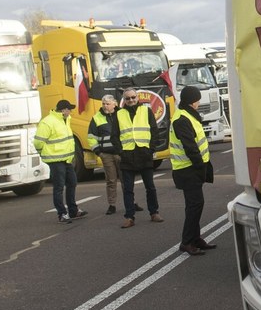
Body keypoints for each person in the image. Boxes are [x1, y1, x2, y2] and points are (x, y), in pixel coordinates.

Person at [170, 85, 215, 256]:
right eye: (197, 100)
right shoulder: (182, 119)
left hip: (192, 168)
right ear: (191, 101)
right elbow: (189, 146)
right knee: (195, 205)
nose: (198, 103)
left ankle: (195, 239)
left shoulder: (188, 115)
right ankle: (187, 242)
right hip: (187, 169)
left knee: (195, 205)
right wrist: (199, 165)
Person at [35, 99, 87, 224]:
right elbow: (38, 142)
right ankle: (62, 214)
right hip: (55, 159)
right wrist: (44, 153)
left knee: (72, 182)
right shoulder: (48, 122)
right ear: (63, 110)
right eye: (69, 109)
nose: (70, 112)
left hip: (66, 159)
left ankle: (73, 210)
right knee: (59, 187)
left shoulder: (65, 120)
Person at [117, 88, 162, 228]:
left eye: (133, 97)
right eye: (128, 98)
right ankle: (129, 217)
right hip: (127, 155)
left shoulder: (146, 111)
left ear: (137, 98)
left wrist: (150, 149)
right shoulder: (119, 114)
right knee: (128, 189)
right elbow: (114, 136)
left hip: (144, 154)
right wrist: (121, 152)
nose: (131, 100)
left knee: (150, 187)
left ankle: (154, 212)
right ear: (124, 100)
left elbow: (154, 131)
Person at [86, 94, 123, 215]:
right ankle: (112, 205)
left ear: (114, 104)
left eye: (107, 103)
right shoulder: (97, 117)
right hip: (106, 154)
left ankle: (131, 202)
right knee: (111, 181)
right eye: (103, 103)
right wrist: (98, 152)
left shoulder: (123, 114)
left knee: (126, 179)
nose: (105, 106)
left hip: (121, 153)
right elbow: (91, 137)